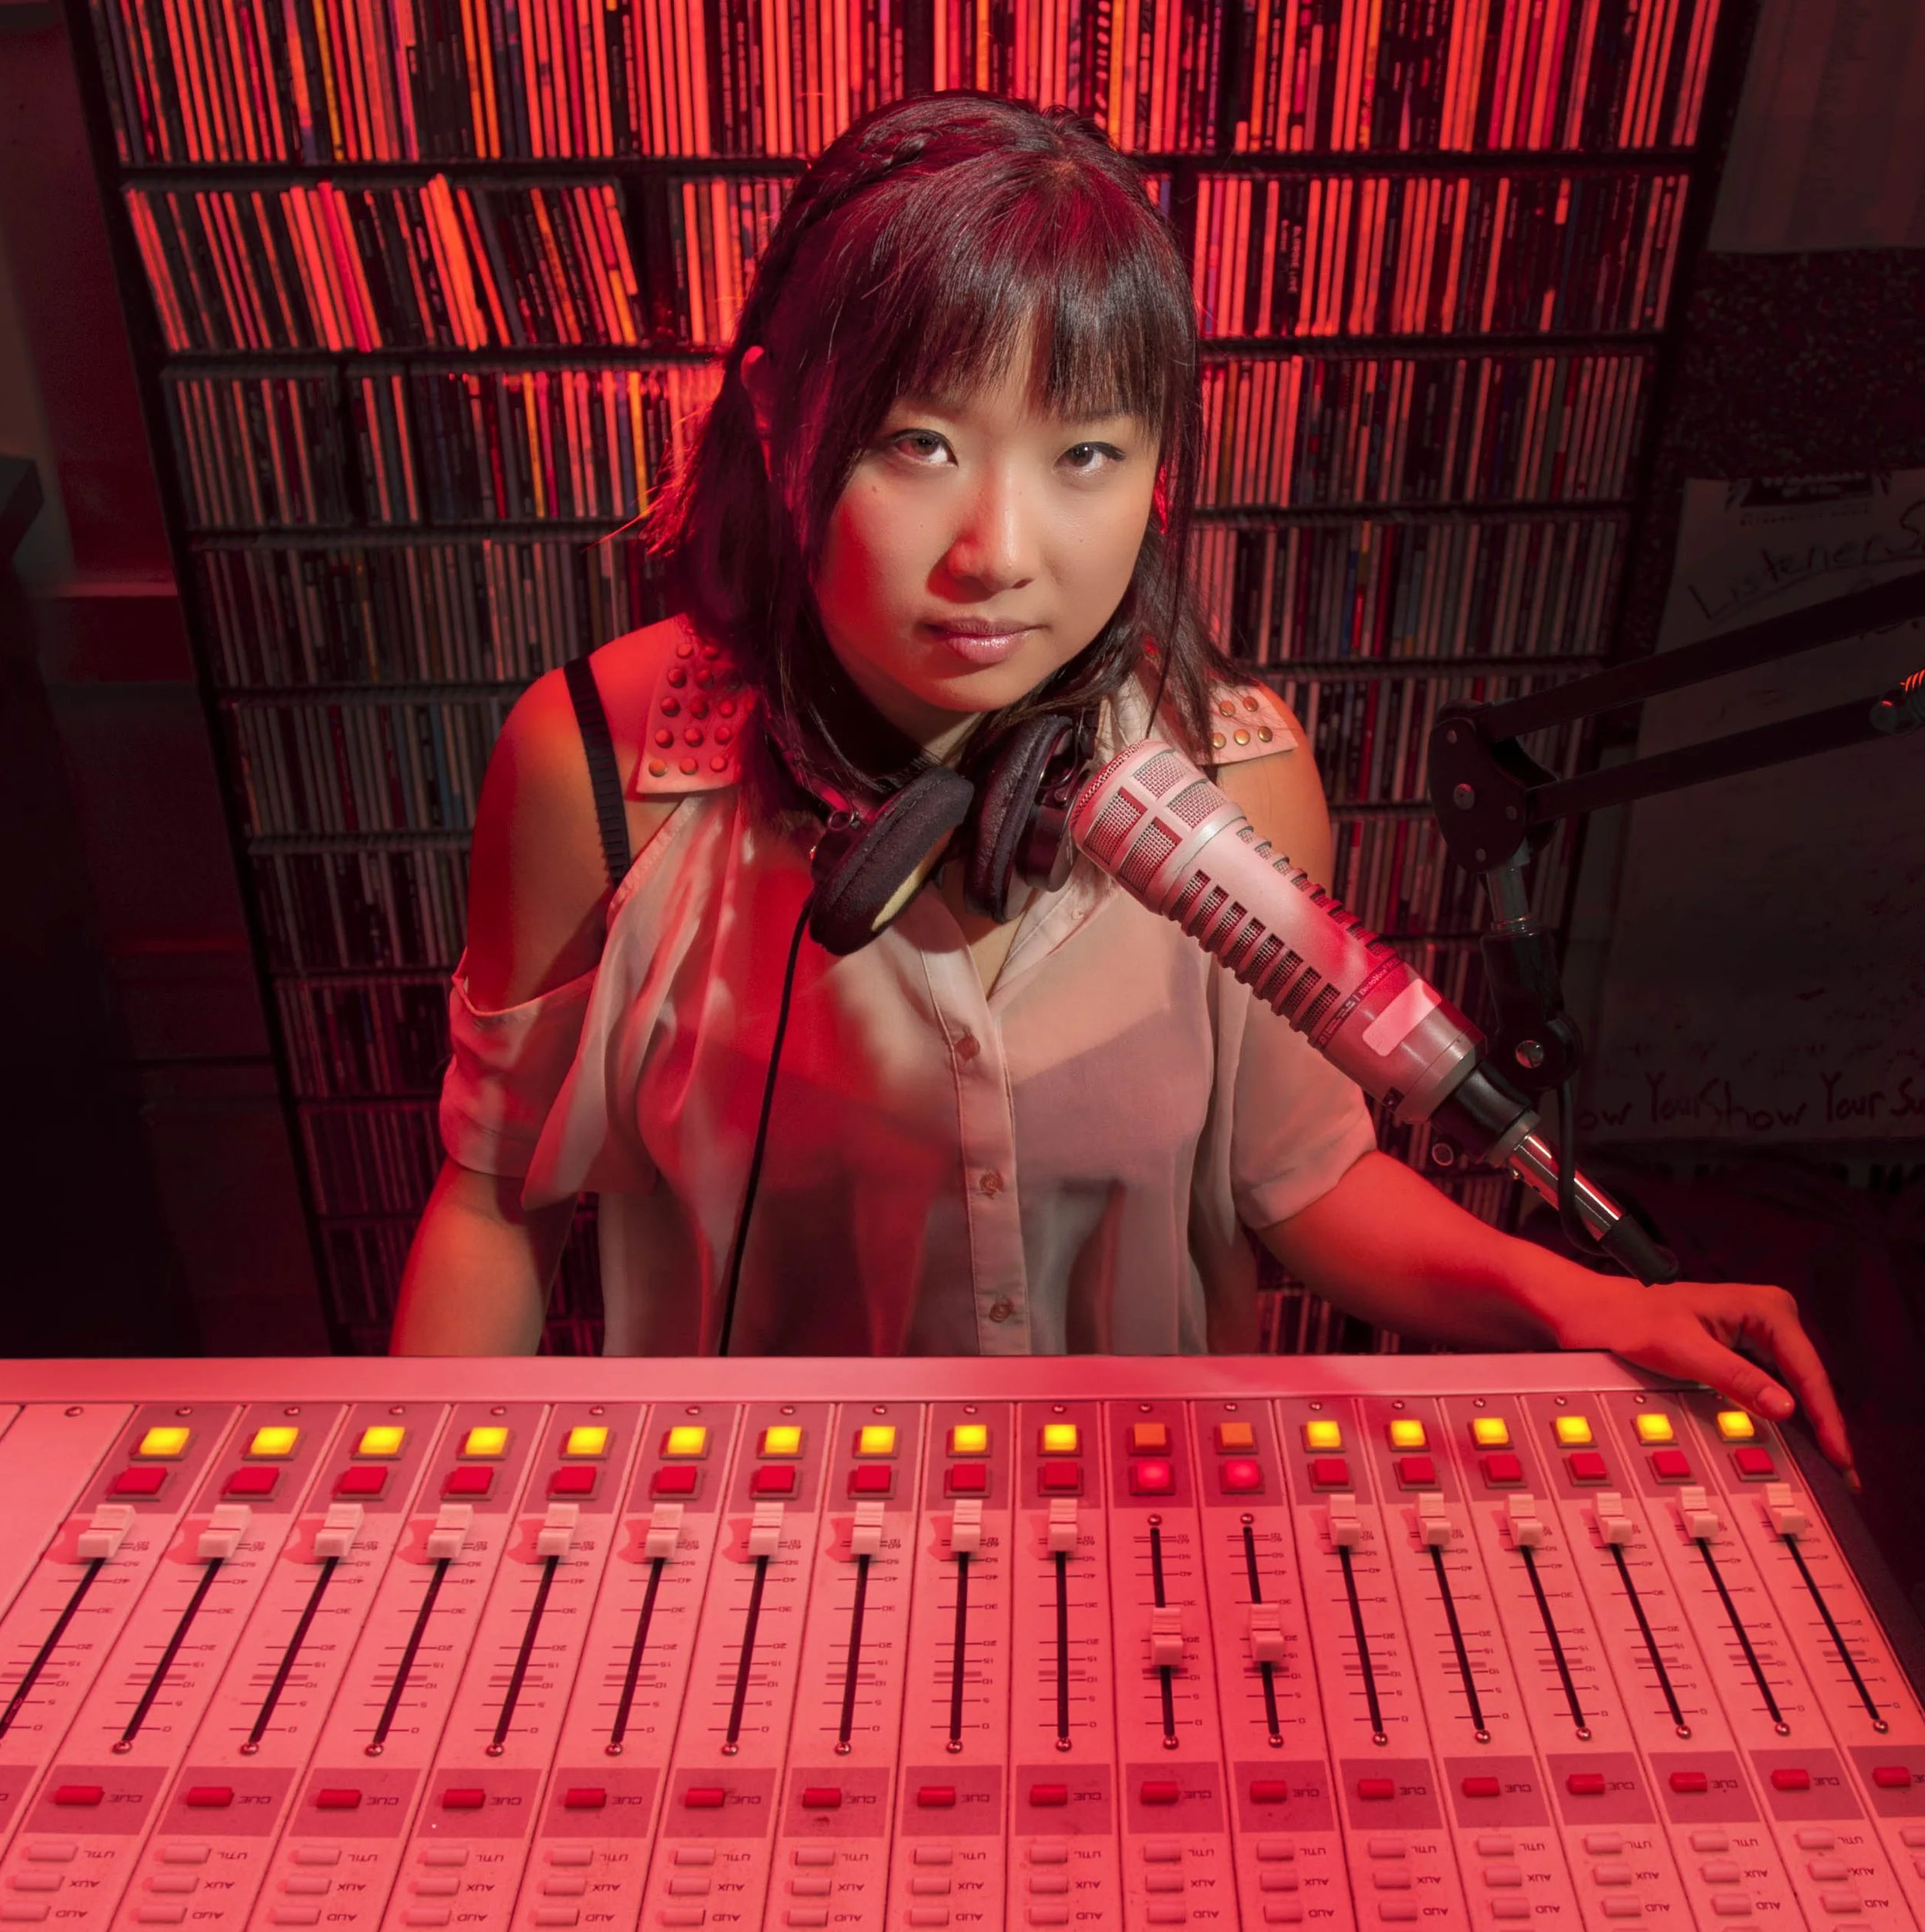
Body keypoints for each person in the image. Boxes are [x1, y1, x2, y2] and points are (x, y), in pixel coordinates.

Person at [390, 92, 1854, 1484]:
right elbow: (493, 1198)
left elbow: (1304, 1182)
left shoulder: (1237, 769)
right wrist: (419, 1552)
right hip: (759, 1551)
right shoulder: (598, 761)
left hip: (1162, 1543)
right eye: (920, 443)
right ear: (780, 424)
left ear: (1158, 471)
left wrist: (1570, 1301)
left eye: (1085, 449)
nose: (999, 552)